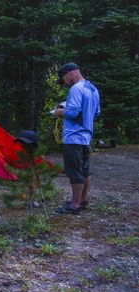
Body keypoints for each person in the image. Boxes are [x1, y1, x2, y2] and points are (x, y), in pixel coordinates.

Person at [53, 62, 100, 215]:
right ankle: (82, 201)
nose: (65, 83)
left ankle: (74, 205)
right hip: (86, 136)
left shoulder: (76, 89)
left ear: (69, 73)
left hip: (73, 138)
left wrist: (58, 112)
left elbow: (72, 113)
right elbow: (96, 114)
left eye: (64, 79)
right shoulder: (92, 89)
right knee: (84, 171)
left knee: (74, 172)